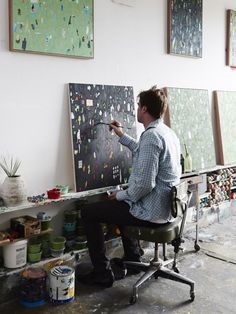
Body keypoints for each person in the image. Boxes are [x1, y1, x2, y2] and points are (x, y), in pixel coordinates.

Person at [79, 86, 181, 287]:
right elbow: (143, 151)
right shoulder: (165, 132)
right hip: (167, 208)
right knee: (124, 204)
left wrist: (119, 195)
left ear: (144, 109)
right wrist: (120, 135)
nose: (136, 110)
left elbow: (144, 185)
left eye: (137, 106)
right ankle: (134, 260)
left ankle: (101, 273)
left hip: (153, 211)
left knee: (88, 212)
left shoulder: (152, 135)